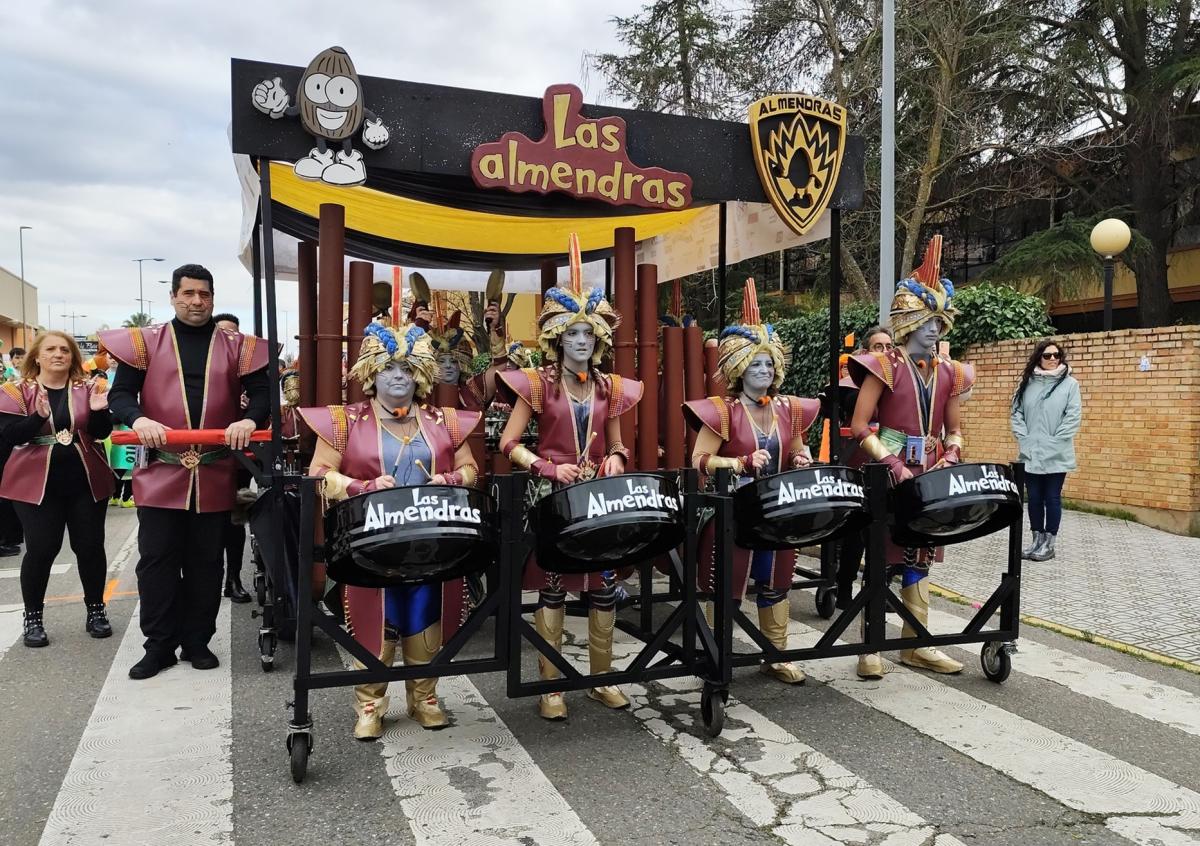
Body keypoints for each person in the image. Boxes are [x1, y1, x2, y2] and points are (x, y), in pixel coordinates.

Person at [300, 320, 481, 738]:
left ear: (419, 373)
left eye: (404, 367)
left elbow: (470, 469)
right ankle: (369, 703)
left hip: (432, 540)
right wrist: (360, 486)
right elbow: (318, 473)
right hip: (371, 541)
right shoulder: (344, 421)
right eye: (387, 368)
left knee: (425, 613)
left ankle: (425, 697)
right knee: (375, 618)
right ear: (370, 373)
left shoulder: (445, 420)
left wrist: (451, 480)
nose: (397, 376)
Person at [497, 236, 642, 721]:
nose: (581, 340)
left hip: (599, 497)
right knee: (554, 586)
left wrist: (617, 460)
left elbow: (619, 444)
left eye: (588, 333)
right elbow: (509, 444)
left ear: (598, 338)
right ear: (558, 337)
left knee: (603, 584)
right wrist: (547, 466)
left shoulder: (610, 388)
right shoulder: (536, 383)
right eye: (573, 333)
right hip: (553, 496)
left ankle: (601, 680)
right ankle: (552, 686)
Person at [103, 264, 270, 679]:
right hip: (160, 472)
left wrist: (249, 420)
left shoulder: (237, 346)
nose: (196, 301)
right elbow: (120, 394)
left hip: (214, 472)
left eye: (204, 294)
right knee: (156, 561)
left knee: (206, 562)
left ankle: (197, 641)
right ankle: (157, 645)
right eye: (188, 293)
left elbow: (265, 393)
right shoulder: (146, 343)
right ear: (174, 296)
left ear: (213, 298)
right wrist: (138, 419)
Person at [847, 237, 974, 679]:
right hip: (888, 471)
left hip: (932, 471)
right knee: (883, 557)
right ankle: (870, 646)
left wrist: (954, 450)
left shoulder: (950, 372)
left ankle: (914, 642)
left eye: (938, 321)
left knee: (921, 554)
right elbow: (861, 426)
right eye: (926, 321)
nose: (934, 329)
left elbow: (954, 426)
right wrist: (893, 463)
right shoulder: (884, 365)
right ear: (907, 322)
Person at [684, 281, 819, 685]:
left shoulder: (788, 408)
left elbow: (796, 448)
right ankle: (715, 652)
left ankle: (775, 653)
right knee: (726, 584)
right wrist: (740, 462)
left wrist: (800, 456)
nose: (764, 371)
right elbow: (699, 460)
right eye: (755, 364)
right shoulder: (721, 411)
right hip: (733, 511)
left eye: (768, 364)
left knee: (776, 577)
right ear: (739, 368)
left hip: (777, 509)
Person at [0, 331, 115, 647]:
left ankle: (96, 610)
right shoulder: (16, 391)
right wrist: (38, 416)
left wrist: (99, 412)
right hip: (34, 483)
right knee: (41, 549)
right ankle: (33, 617)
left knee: (90, 546)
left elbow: (101, 433)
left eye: (64, 349)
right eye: (50, 349)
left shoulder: (89, 388)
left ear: (73, 357)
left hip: (85, 480)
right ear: (37, 355)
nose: (58, 354)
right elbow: (10, 437)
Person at [833, 326, 893, 609]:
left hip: (888, 463)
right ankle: (844, 587)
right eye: (878, 346)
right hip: (857, 461)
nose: (885, 351)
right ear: (867, 351)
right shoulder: (853, 382)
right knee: (855, 532)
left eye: (889, 346)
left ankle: (877, 590)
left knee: (881, 532)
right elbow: (854, 411)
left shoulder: (901, 379)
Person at [1010, 340, 1081, 562]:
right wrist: (1025, 438)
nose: (1052, 359)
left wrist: (1053, 442)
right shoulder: (1026, 384)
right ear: (1039, 357)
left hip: (1056, 454)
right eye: (1047, 355)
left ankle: (1050, 543)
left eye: (1056, 355)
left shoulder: (1070, 385)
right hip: (1031, 453)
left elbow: (1072, 417)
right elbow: (1016, 413)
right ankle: (1036, 540)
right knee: (1034, 498)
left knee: (1052, 497)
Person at [211, 313, 253, 604]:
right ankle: (209, 580)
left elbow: (266, 406)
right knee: (209, 525)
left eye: (233, 333)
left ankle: (234, 578)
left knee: (235, 522)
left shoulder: (249, 368)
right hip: (205, 457)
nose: (229, 337)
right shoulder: (204, 366)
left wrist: (250, 410)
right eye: (223, 332)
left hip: (239, 458)